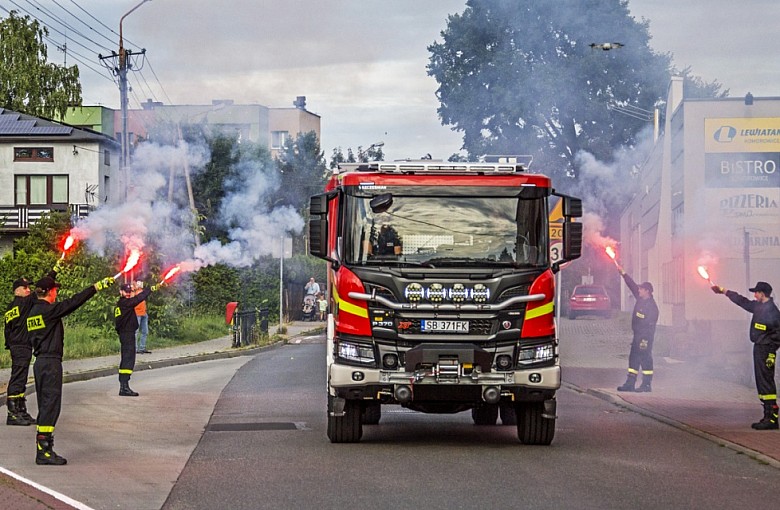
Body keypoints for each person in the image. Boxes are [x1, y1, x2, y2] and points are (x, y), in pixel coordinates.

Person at [27, 274, 114, 465]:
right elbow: (74, 302)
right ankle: (44, 452)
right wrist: (95, 287)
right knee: (51, 405)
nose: (57, 293)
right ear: (49, 292)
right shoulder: (49, 311)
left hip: (40, 362)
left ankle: (43, 448)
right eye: (55, 289)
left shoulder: (33, 312)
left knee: (45, 405)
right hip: (50, 363)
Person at [712, 281, 780, 430]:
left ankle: (772, 418)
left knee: (766, 381)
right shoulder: (758, 307)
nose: (754, 295)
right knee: (761, 382)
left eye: (756, 292)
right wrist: (724, 290)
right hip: (759, 348)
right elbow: (742, 301)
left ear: (763, 293)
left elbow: (778, 334)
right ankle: (767, 415)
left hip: (766, 350)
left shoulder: (773, 311)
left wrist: (771, 351)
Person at [615, 265, 659, 392]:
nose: (638, 290)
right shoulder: (640, 299)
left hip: (645, 338)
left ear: (647, 291)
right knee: (633, 358)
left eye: (641, 289)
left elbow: (649, 326)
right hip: (637, 336)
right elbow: (631, 284)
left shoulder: (652, 307)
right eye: (639, 289)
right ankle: (630, 383)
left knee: (645, 358)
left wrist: (643, 340)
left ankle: (646, 384)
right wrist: (623, 273)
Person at [4, 277, 38, 426]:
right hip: (22, 346)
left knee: (21, 378)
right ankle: (12, 413)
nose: (28, 290)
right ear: (17, 290)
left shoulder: (11, 307)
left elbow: (7, 329)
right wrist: (55, 271)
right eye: (25, 288)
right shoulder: (24, 303)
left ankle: (20, 410)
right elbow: (41, 289)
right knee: (18, 378)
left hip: (16, 346)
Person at [115, 282, 155, 397]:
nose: (128, 294)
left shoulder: (122, 303)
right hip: (127, 334)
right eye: (126, 291)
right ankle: (124, 387)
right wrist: (150, 289)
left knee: (127, 359)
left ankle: (124, 386)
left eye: (130, 291)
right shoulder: (125, 303)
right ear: (121, 292)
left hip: (126, 334)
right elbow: (139, 298)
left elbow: (118, 324)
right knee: (128, 360)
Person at [134, 281, 150, 354]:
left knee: (145, 331)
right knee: (136, 332)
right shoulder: (133, 292)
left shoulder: (142, 291)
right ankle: (135, 349)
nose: (140, 284)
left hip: (144, 313)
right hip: (137, 313)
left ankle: (142, 348)